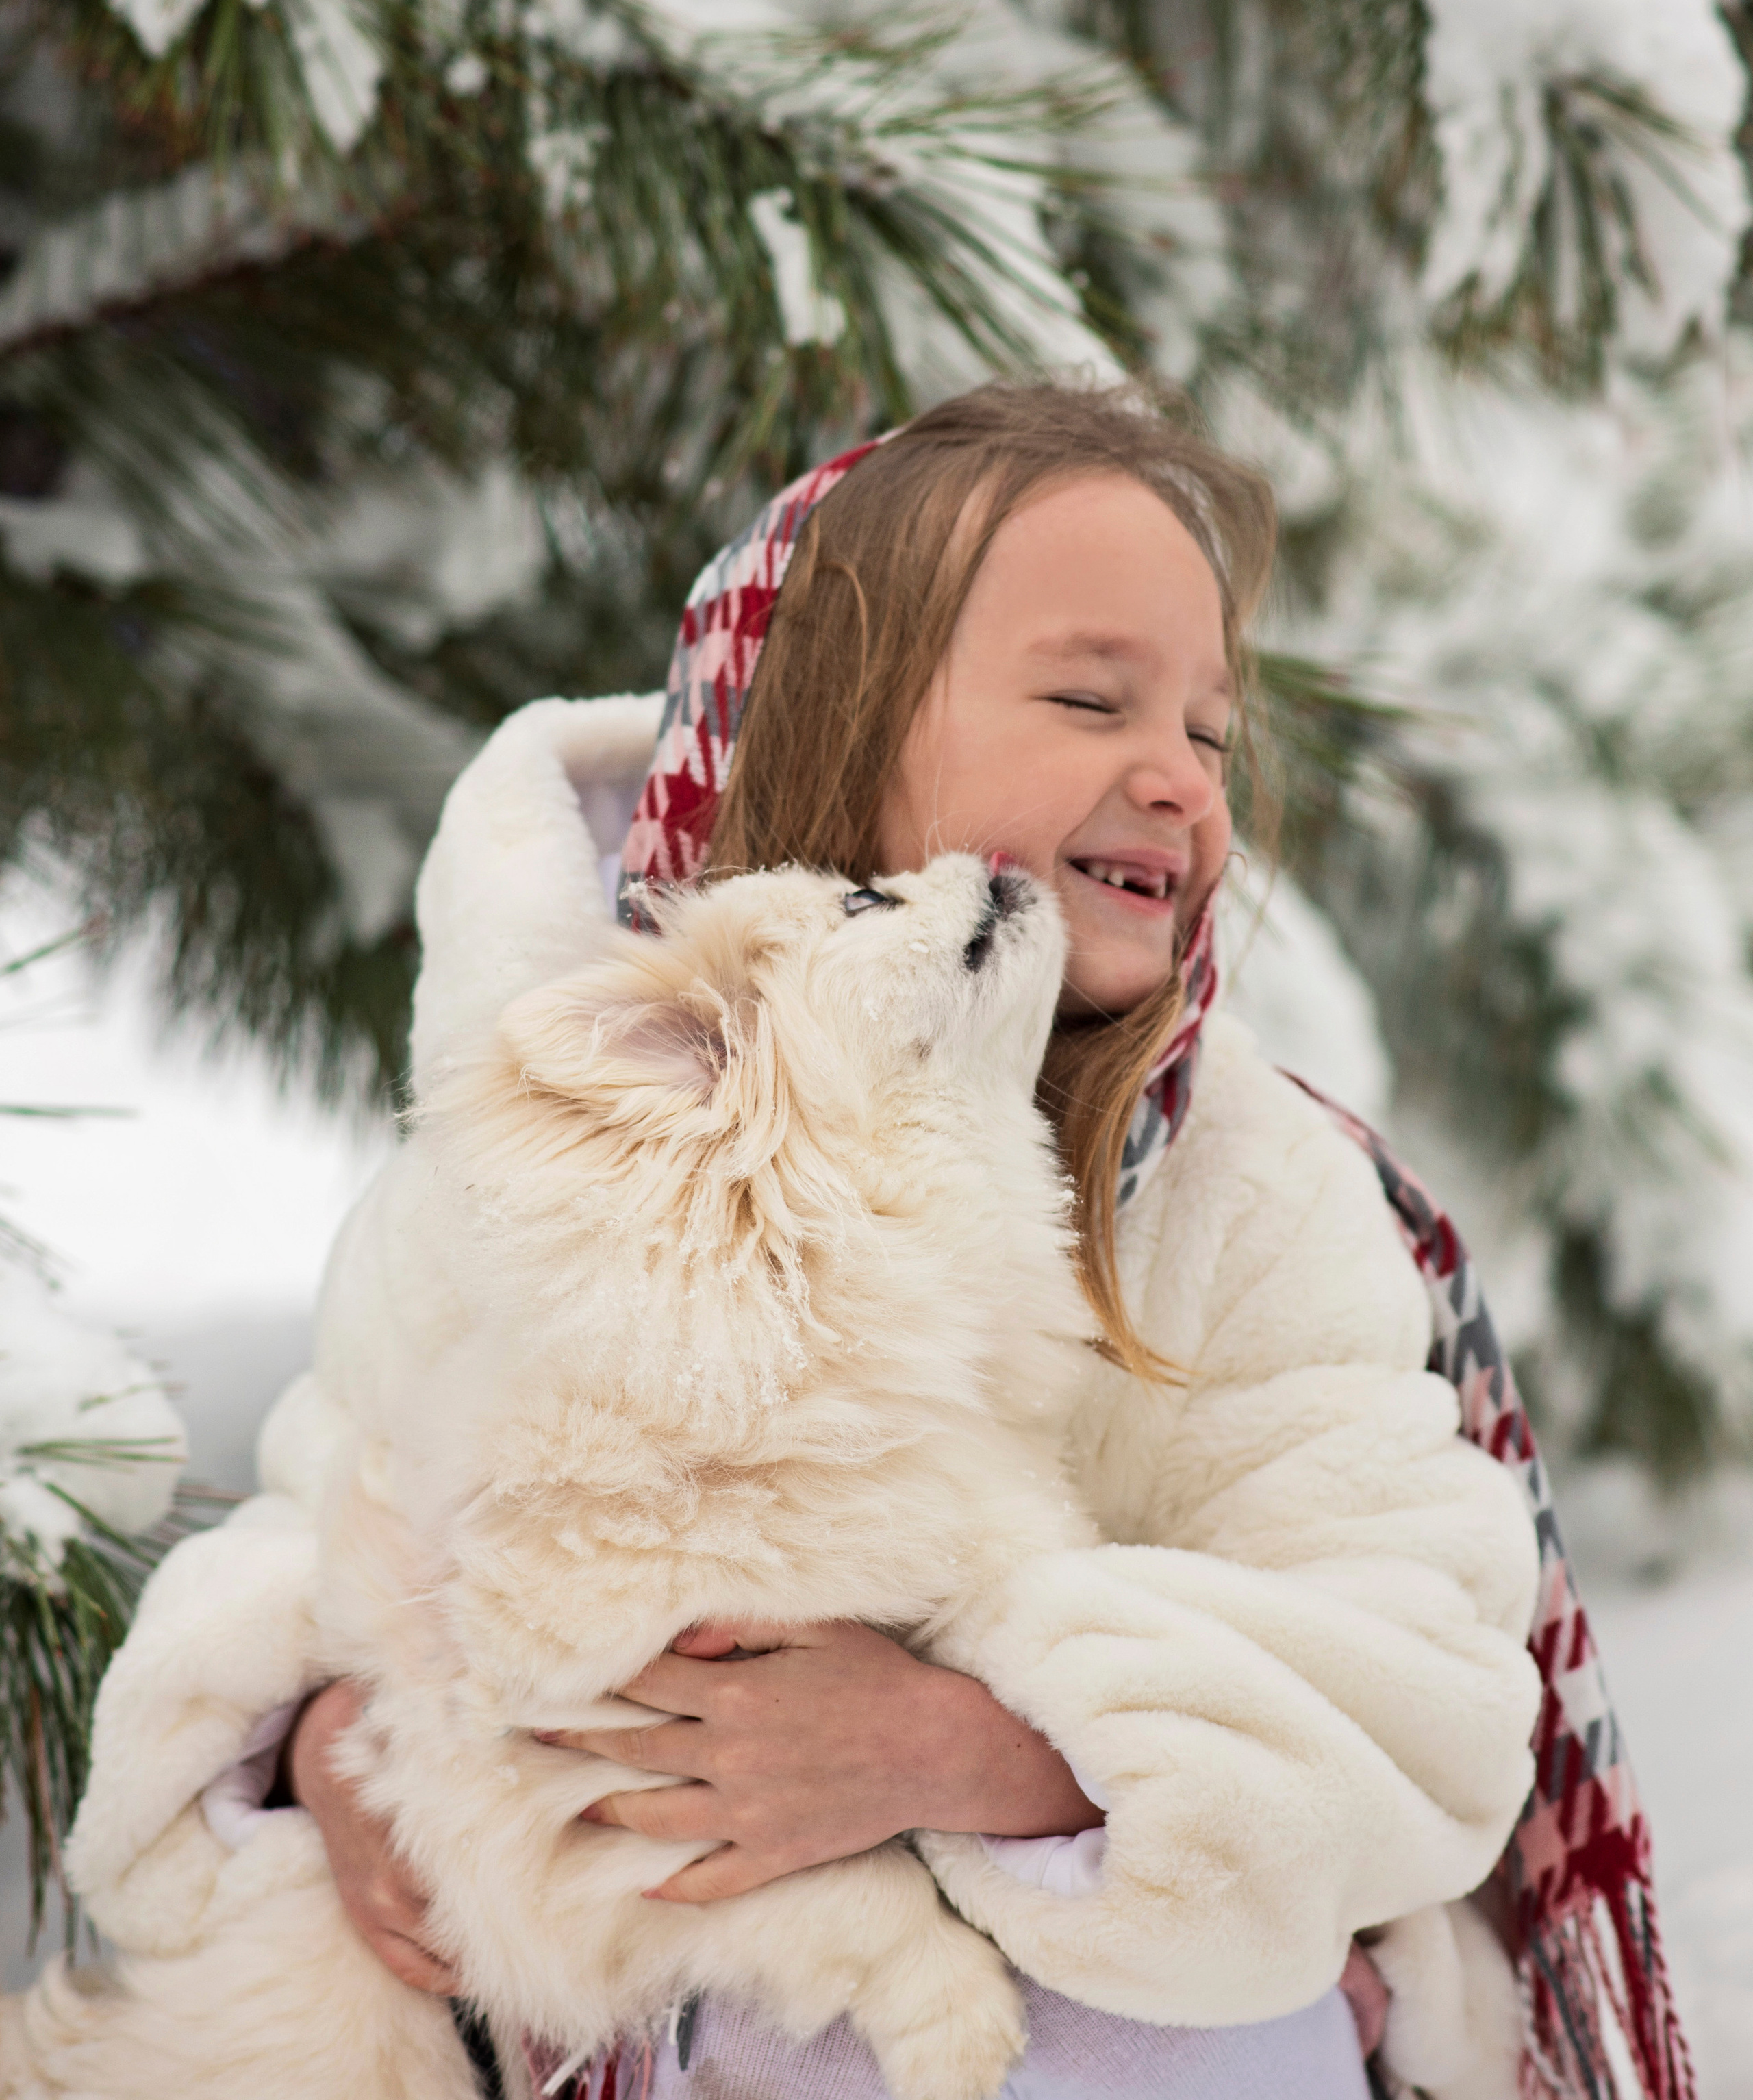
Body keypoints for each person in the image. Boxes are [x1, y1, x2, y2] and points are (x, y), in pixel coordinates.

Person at [60, 382, 1687, 2100]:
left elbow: (1415, 1684)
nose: (1175, 778)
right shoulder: (571, 1126)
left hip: (1081, 2024)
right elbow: (342, 1517)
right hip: (610, 2002)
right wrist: (332, 1750)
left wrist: (969, 1748)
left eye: (1211, 735)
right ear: (828, 729)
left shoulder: (1246, 1201)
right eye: (1086, 697)